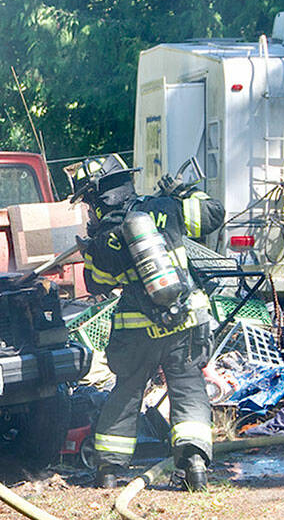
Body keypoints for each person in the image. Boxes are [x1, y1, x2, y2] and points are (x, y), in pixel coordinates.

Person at [71, 155, 224, 491]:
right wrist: (183, 192)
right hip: (185, 321)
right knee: (187, 387)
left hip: (136, 332)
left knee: (127, 392)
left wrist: (92, 249)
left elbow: (96, 283)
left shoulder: (104, 238)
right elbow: (213, 214)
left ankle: (108, 471)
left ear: (97, 197)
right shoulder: (165, 207)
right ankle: (195, 465)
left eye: (87, 201)